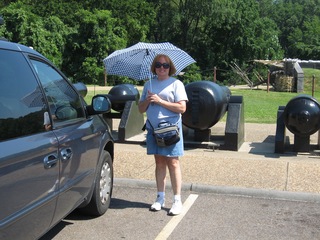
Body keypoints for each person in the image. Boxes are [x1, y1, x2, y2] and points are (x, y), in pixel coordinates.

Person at [138, 54, 188, 215]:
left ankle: (177, 200)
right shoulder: (149, 84)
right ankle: (160, 198)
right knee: (159, 162)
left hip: (170, 129)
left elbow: (182, 108)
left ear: (170, 67)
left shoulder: (176, 84)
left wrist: (160, 101)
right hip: (153, 129)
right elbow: (141, 109)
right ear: (154, 67)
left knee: (173, 163)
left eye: (165, 65)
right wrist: (148, 99)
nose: (161, 68)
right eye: (158, 65)